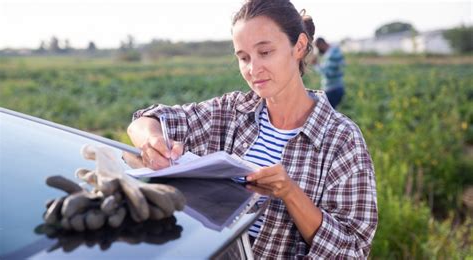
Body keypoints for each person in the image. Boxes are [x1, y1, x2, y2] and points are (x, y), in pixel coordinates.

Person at [127, 0, 378, 258]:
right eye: (244, 57)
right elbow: (144, 120)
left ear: (299, 47)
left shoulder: (342, 139)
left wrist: (291, 193)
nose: (253, 69)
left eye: (265, 52)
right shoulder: (230, 111)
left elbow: (353, 250)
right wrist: (153, 141)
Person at [313, 37, 345, 109]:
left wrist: (316, 65)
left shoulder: (331, 54)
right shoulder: (335, 51)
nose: (319, 50)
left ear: (321, 44)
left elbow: (328, 74)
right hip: (337, 87)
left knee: (327, 114)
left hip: (332, 90)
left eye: (318, 47)